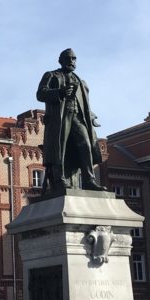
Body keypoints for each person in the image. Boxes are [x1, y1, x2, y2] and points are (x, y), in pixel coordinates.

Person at [36, 49, 109, 193]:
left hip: (78, 117)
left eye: (74, 59)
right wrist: (59, 92)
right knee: (60, 147)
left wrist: (91, 116)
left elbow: (84, 104)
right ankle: (60, 179)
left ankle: (89, 180)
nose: (71, 61)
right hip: (60, 118)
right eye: (68, 58)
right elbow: (40, 94)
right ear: (60, 60)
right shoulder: (51, 75)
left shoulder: (80, 81)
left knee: (86, 144)